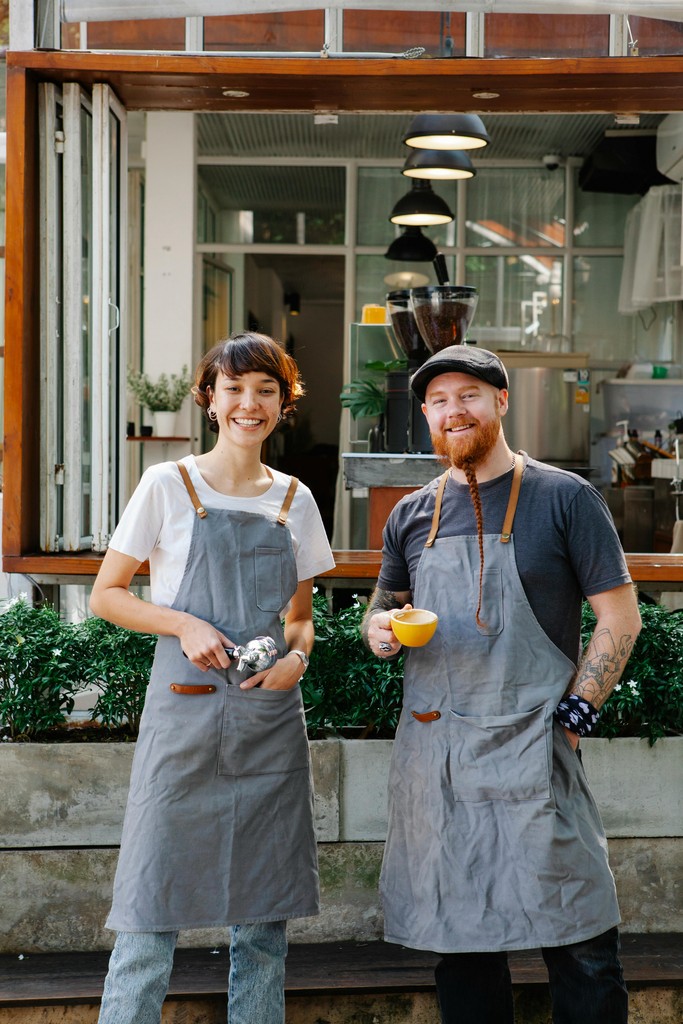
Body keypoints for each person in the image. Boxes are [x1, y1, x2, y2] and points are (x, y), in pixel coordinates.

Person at [361, 345, 641, 1024]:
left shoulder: (563, 497)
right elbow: (379, 611)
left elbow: (619, 617)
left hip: (532, 748)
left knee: (578, 942)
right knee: (461, 946)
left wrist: (576, 712)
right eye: (438, 401)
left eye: (468, 396)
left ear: (500, 403)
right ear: (425, 414)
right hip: (441, 761)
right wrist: (377, 632)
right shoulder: (411, 514)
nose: (453, 411)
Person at [90, 332, 335, 1024]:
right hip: (184, 716)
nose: (247, 404)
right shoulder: (167, 485)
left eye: (264, 390)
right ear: (209, 401)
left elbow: (299, 619)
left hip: (265, 723)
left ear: (284, 404)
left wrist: (297, 660)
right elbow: (107, 594)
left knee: (261, 928)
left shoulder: (294, 501)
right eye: (233, 389)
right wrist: (181, 624)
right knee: (147, 916)